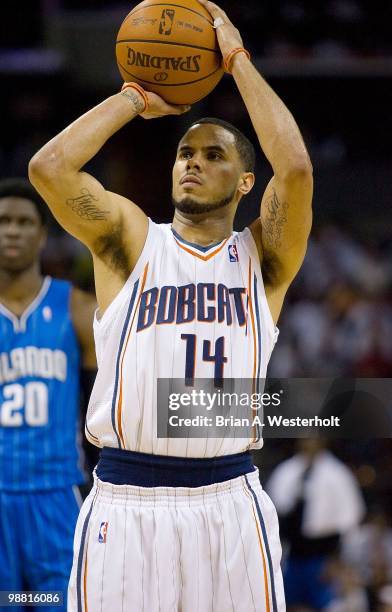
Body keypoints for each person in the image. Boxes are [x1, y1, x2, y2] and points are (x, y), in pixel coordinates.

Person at [28, 1, 313, 609]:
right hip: (126, 500)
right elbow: (49, 167)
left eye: (214, 155)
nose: (193, 162)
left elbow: (293, 167)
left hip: (230, 499)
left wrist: (234, 60)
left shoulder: (263, 260)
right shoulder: (131, 239)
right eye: (186, 152)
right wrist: (133, 97)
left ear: (244, 184)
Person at [0, 178, 96, 611]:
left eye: (24, 222)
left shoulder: (77, 307)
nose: (12, 231)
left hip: (57, 494)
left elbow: (104, 406)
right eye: (3, 222)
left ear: (41, 234)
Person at [265, 440, 365, 611]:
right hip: (292, 556)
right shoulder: (287, 471)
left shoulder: (338, 474)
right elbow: (273, 512)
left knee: (326, 605)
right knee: (289, 605)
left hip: (323, 556)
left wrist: (338, 560)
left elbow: (351, 521)